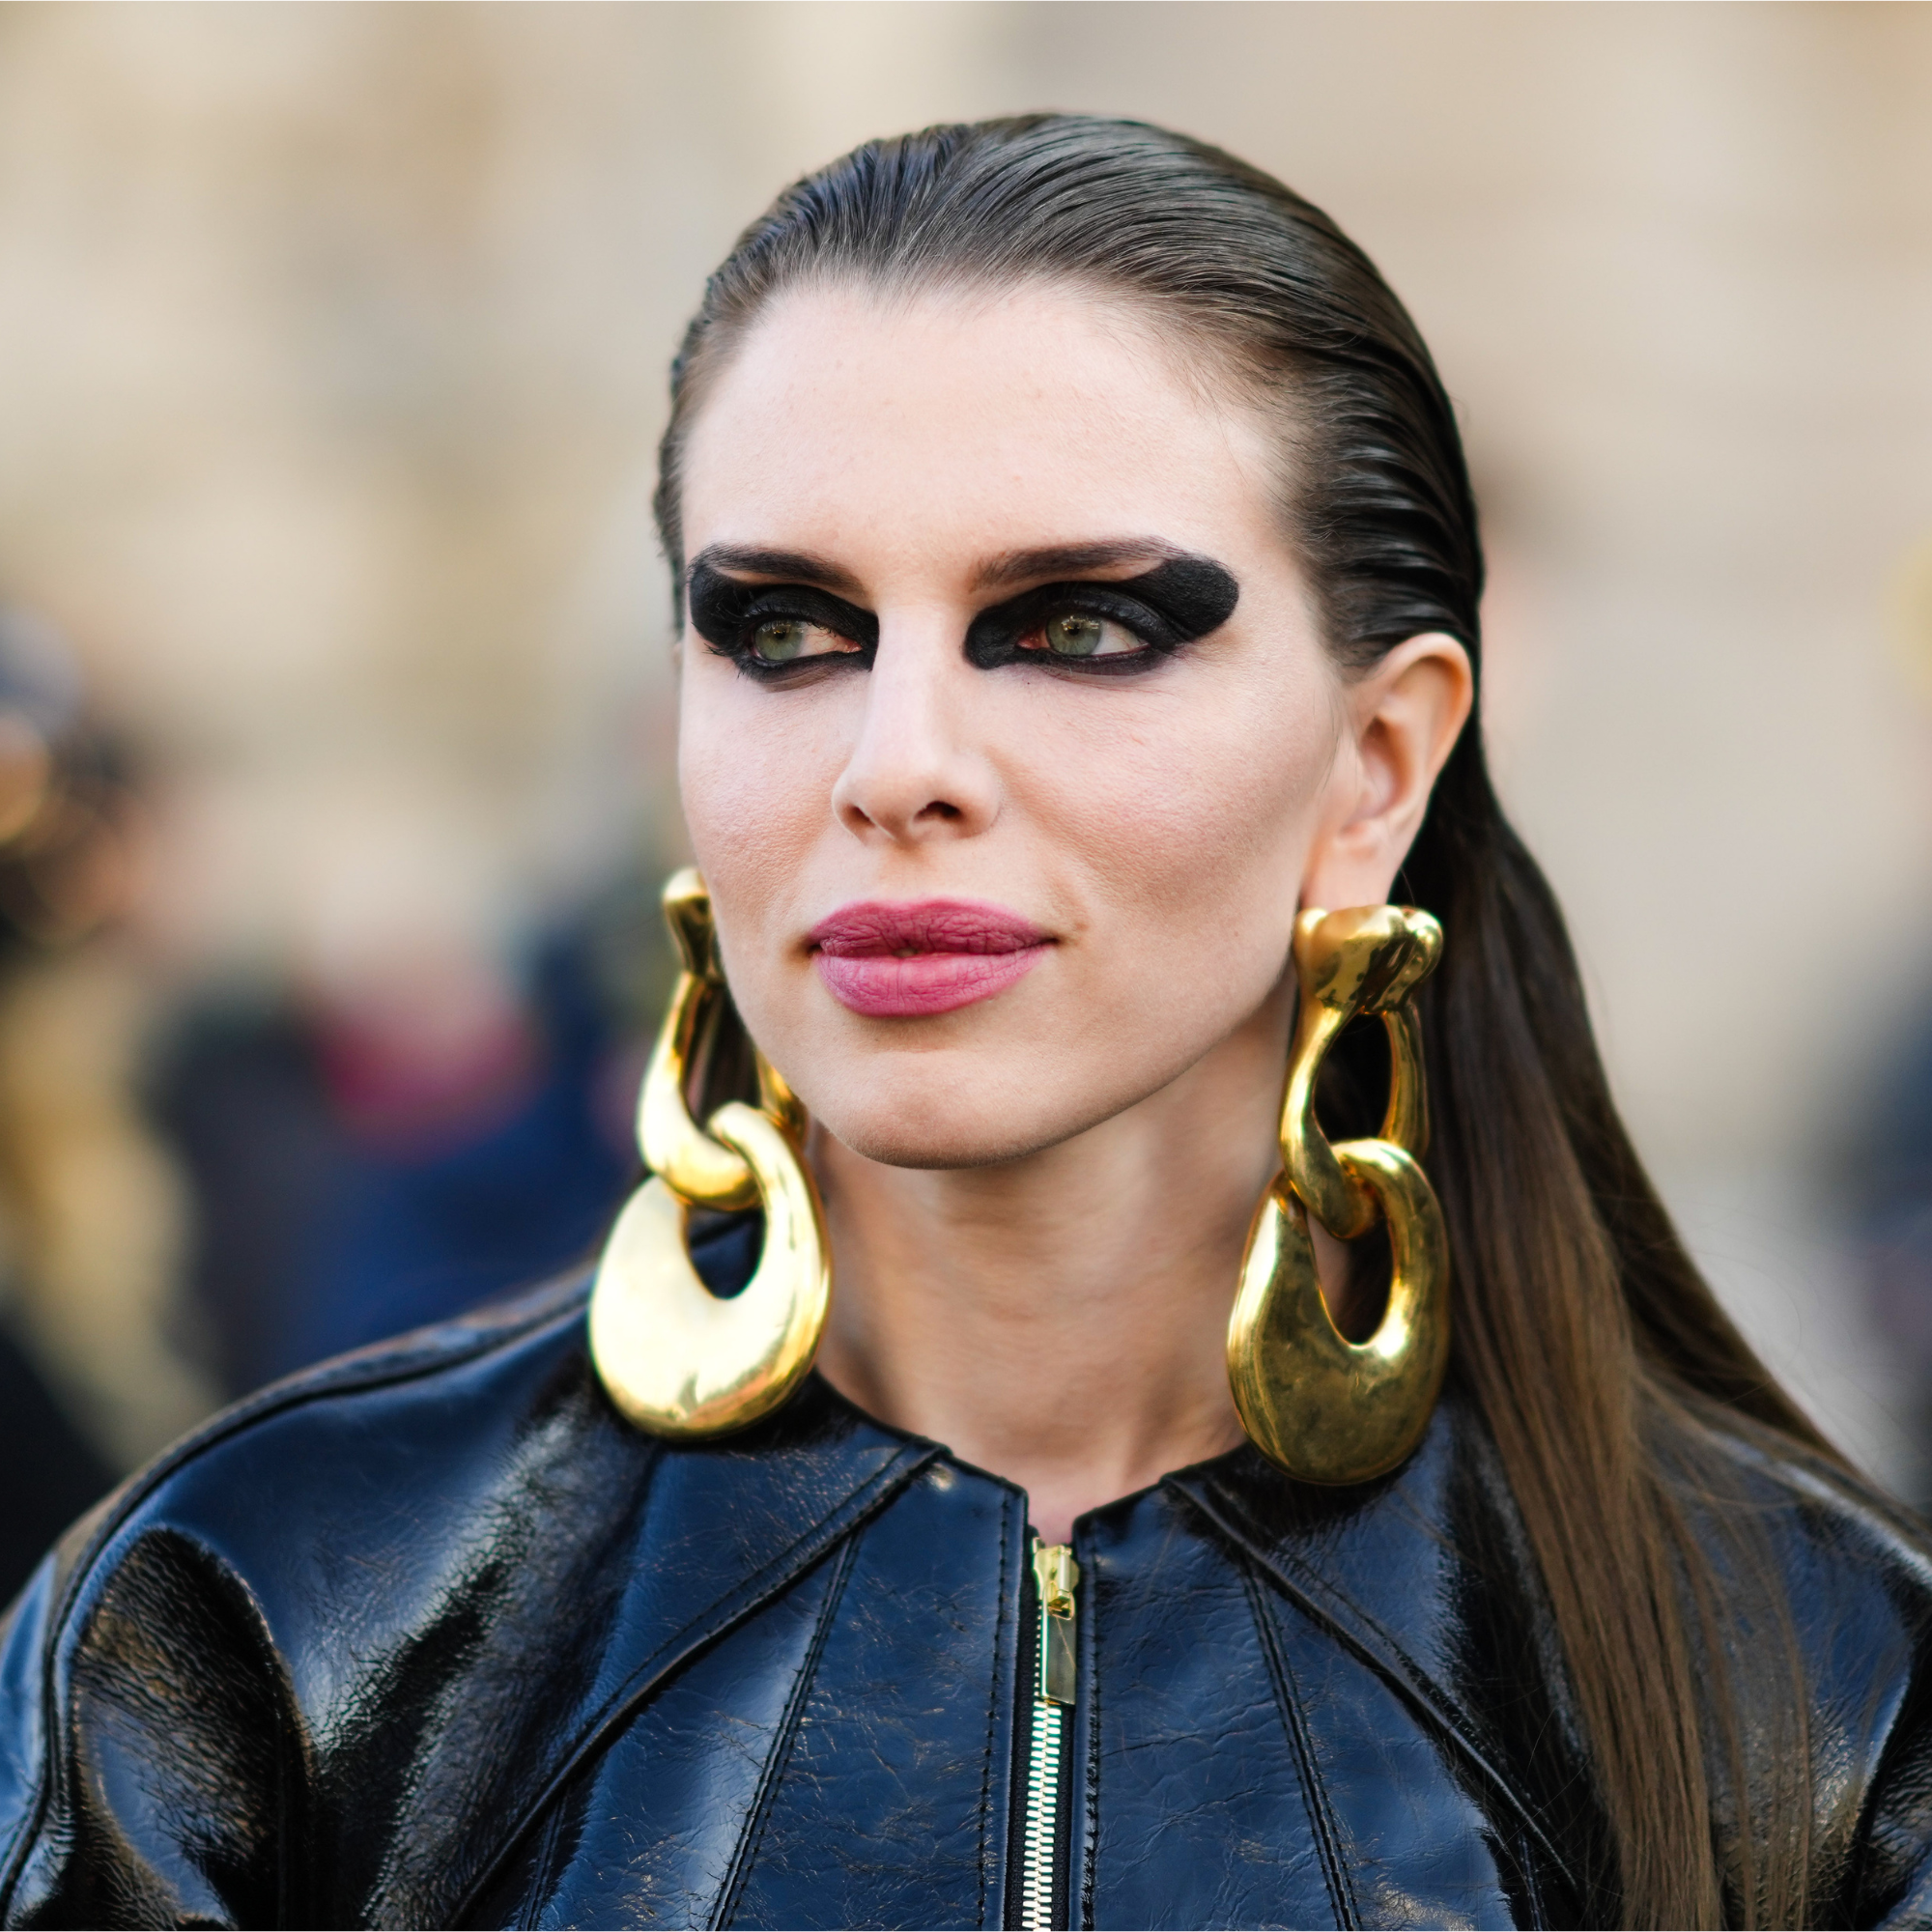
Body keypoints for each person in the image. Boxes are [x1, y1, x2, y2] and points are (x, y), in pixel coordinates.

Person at [1, 115, 1927, 1932]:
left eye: (1075, 626)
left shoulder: (1819, 1695)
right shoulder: (263, 1622)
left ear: (1376, 761)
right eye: (784, 631)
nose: (893, 762)